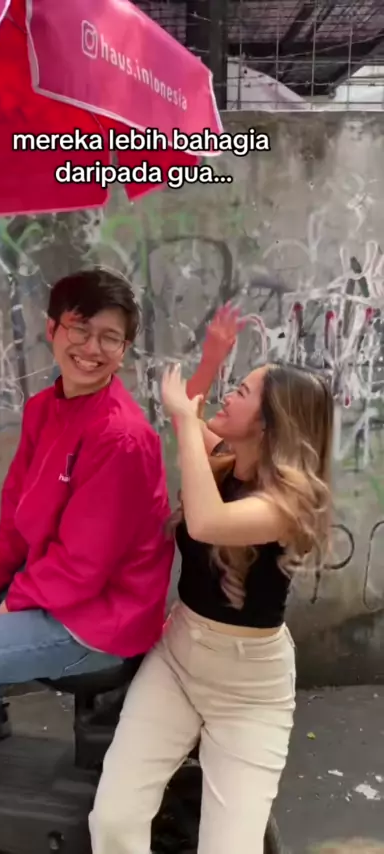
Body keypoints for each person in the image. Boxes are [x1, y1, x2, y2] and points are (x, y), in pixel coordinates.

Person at [0, 267, 174, 818]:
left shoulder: (121, 438)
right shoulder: (46, 409)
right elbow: (17, 519)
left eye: (110, 338)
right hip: (61, 586)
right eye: (80, 329)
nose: (92, 349)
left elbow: (83, 567)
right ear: (52, 329)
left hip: (98, 621)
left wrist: (6, 607)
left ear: (124, 350)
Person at [89, 304, 334, 854]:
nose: (228, 394)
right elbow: (190, 414)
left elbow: (206, 521)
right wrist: (210, 360)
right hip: (177, 659)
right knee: (114, 821)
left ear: (269, 424)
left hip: (250, 691)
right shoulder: (224, 461)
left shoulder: (286, 506)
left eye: (241, 391)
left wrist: (184, 415)